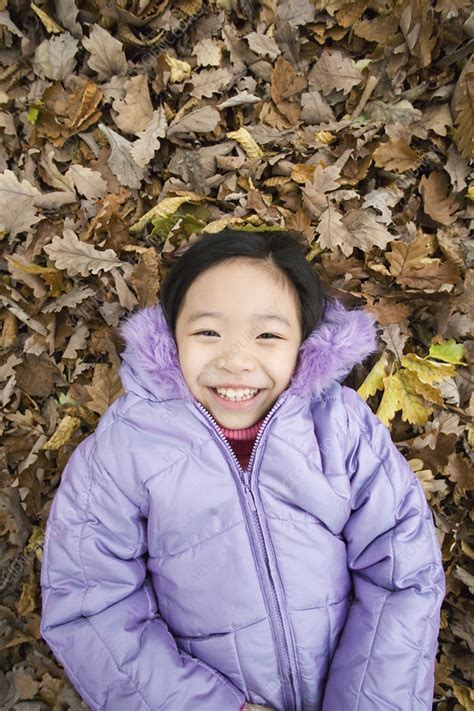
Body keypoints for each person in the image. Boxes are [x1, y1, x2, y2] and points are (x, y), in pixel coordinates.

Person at [40, 227, 445, 710]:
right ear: (171, 337)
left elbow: (402, 572)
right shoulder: (121, 452)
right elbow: (91, 606)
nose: (235, 361)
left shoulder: (341, 430)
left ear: (304, 343)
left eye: (268, 335)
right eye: (207, 332)